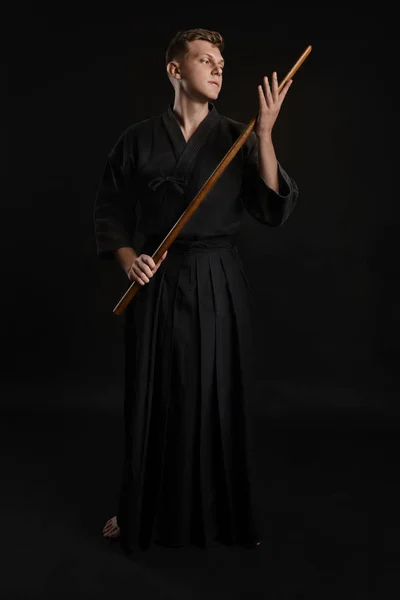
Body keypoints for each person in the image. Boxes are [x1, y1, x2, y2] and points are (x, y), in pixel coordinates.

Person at [94, 28, 299, 553]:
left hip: (217, 280)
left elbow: (271, 206)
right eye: (205, 59)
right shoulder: (136, 140)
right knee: (152, 395)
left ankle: (224, 514)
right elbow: (111, 215)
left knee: (216, 393)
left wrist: (267, 135)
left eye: (221, 63)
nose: (217, 68)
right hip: (157, 280)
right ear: (175, 70)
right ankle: (139, 508)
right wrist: (129, 260)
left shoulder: (237, 135)